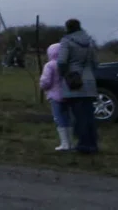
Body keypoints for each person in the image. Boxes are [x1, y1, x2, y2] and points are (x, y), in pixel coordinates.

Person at [57, 19, 99, 154]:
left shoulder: (66, 41)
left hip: (74, 81)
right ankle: (92, 143)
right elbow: (95, 62)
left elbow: (62, 61)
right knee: (89, 115)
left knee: (78, 115)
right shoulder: (90, 41)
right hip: (89, 81)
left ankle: (83, 145)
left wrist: (64, 75)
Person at [39, 42, 71, 151]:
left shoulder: (50, 65)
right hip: (68, 95)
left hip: (54, 95)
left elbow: (46, 81)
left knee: (59, 118)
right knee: (67, 118)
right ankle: (70, 142)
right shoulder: (67, 64)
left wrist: (42, 86)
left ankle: (64, 143)